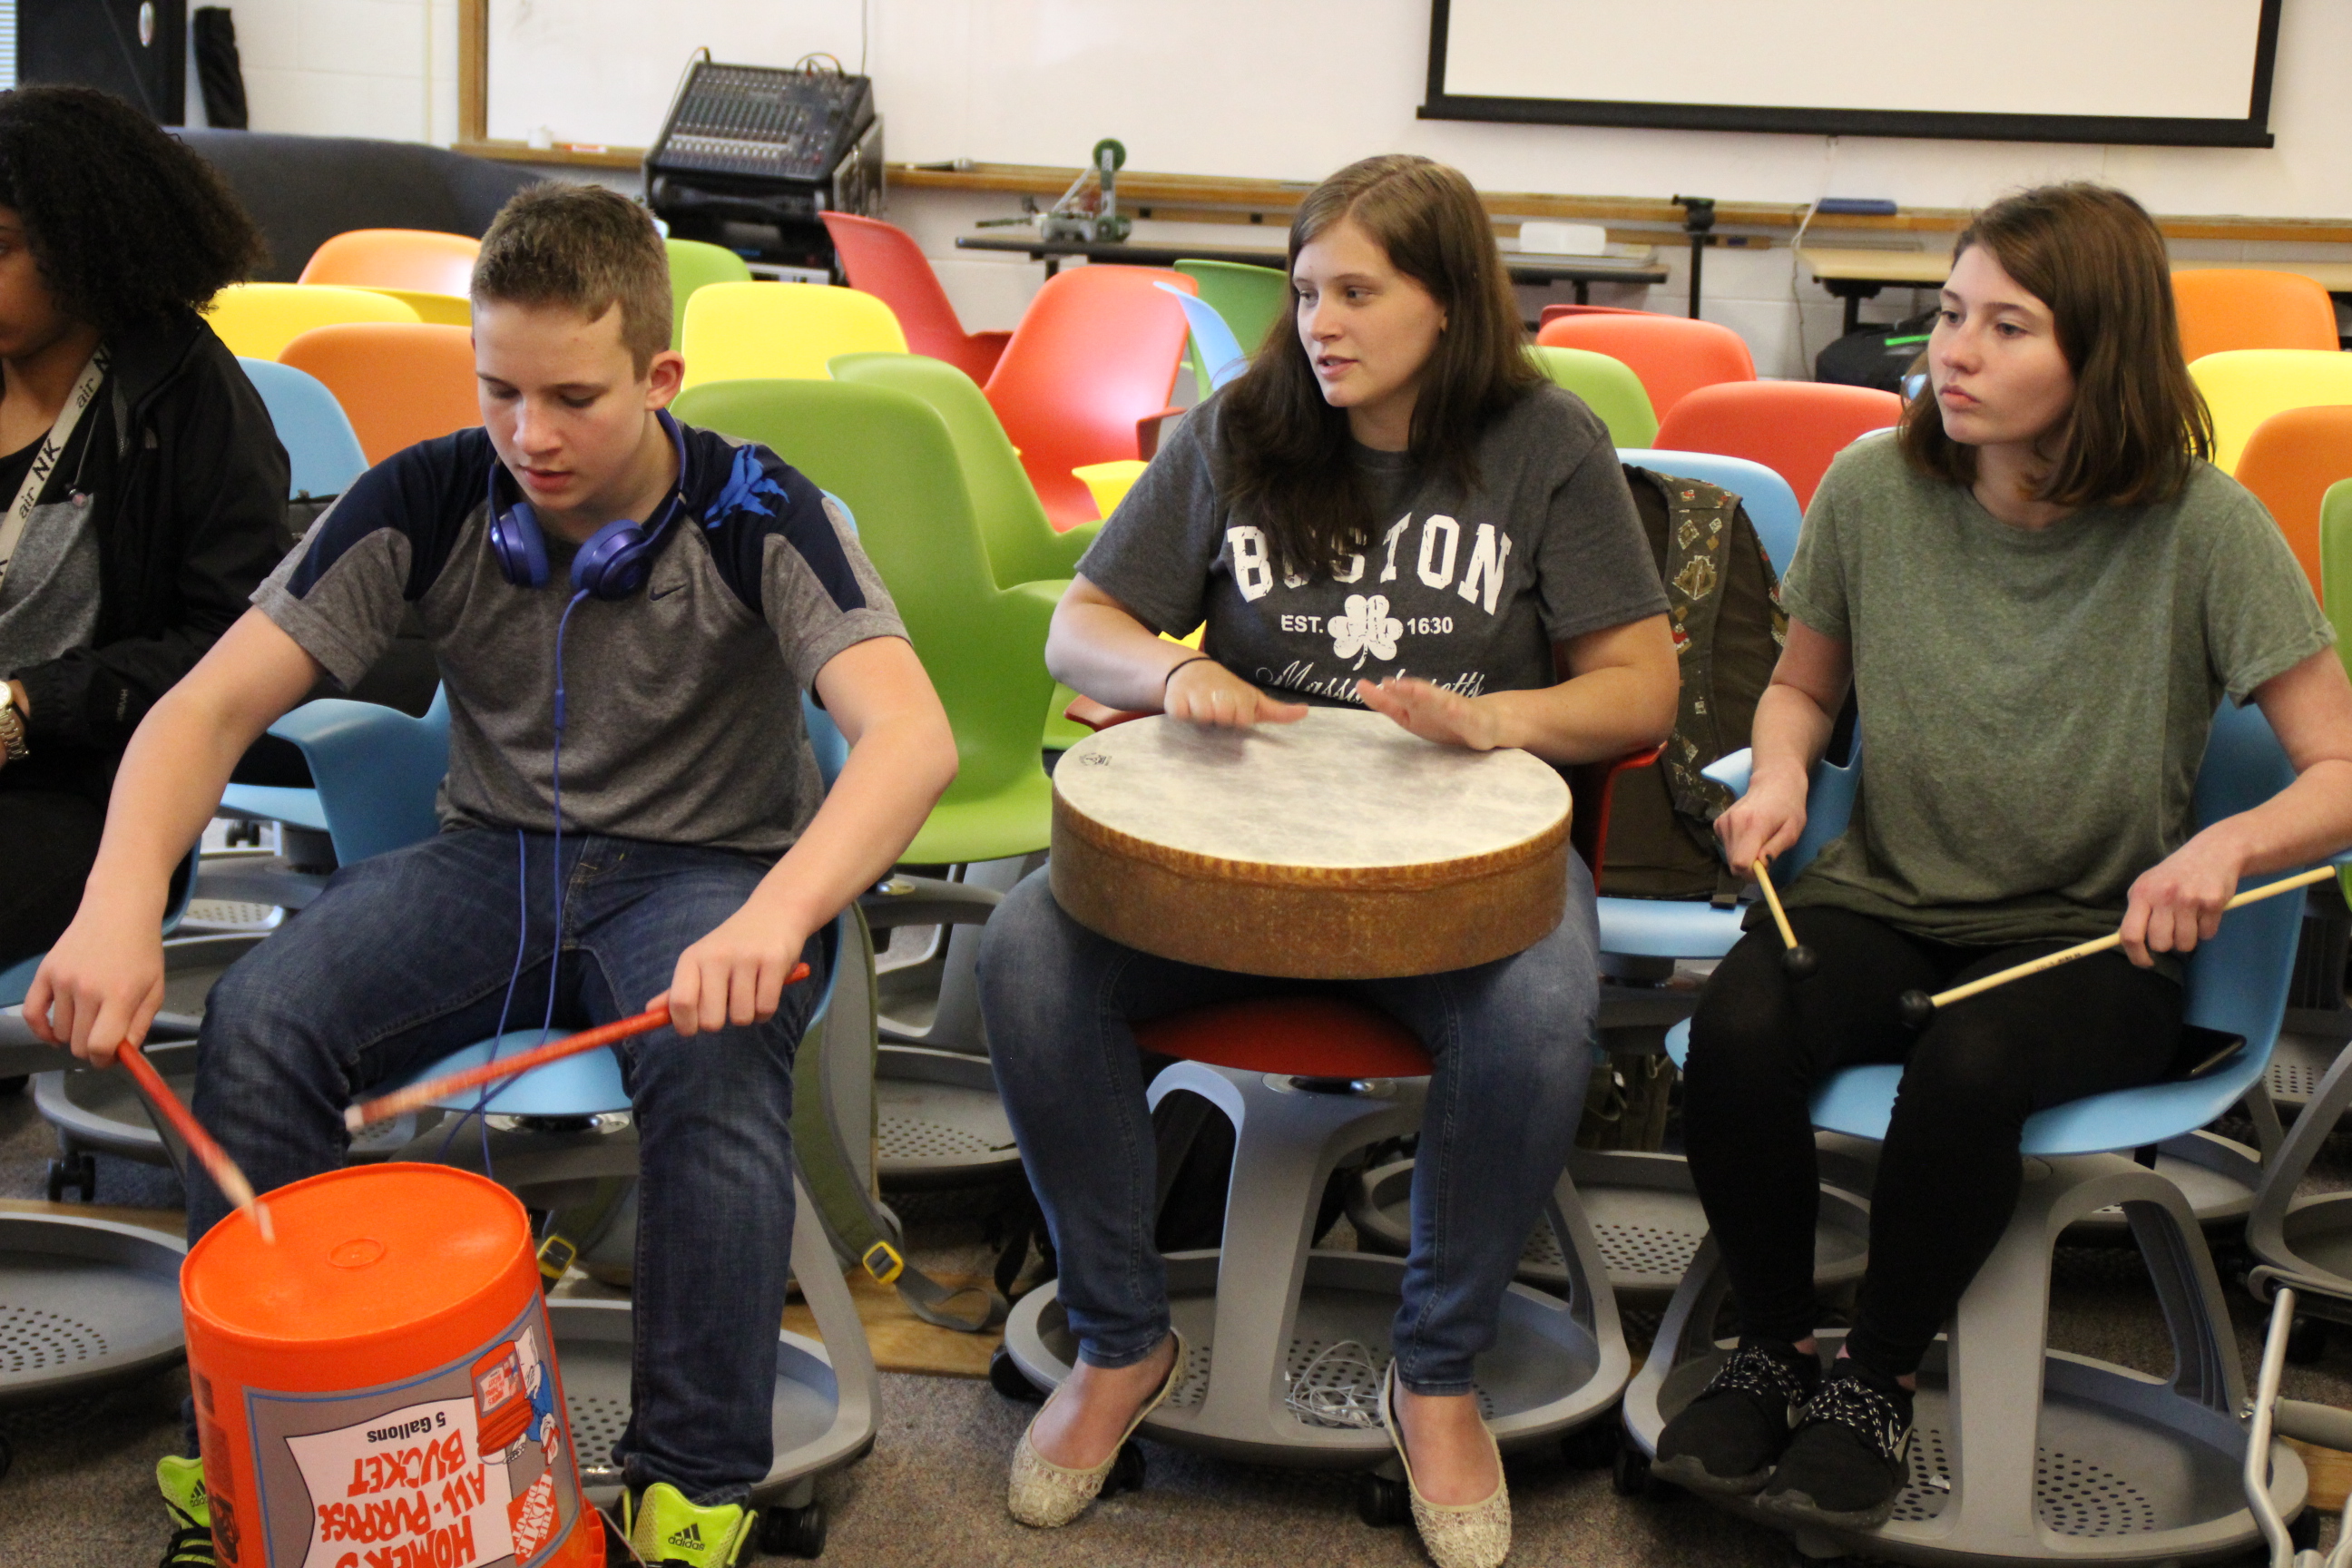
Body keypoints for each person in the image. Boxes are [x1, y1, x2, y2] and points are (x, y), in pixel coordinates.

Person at [26, 184, 956, 1568]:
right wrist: (114, 909)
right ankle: (294, 1435)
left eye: (574, 397)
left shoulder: (764, 504)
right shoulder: (433, 492)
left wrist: (776, 916)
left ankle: (695, 1488)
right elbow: (200, 712)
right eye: (499, 390)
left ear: (660, 378)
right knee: (262, 1022)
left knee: (712, 1064)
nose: (530, 436)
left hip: (715, 876)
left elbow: (911, 737)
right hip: (494, 858)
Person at [978, 153, 1678, 1568]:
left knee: (1540, 1010)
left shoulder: (1548, 444)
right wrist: (1172, 679)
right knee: (1030, 949)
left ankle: (1435, 1375)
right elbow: (1081, 628)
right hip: (1231, 874)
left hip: (1457, 882)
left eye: (1358, 292)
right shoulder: (1243, 428)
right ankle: (1118, 1343)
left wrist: (1499, 719)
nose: (1321, 322)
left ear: (1449, 306)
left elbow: (1642, 689)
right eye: (1307, 291)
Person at [1658, 182, 2352, 1530]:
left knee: (1967, 1070)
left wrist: (2223, 847)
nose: (1953, 354)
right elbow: (1799, 693)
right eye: (1950, 314)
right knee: (1740, 1027)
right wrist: (1788, 770)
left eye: (2007, 327)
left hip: (2093, 934)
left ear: (2103, 354)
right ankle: (1775, 1346)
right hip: (1889, 896)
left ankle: (1873, 1378)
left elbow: (2339, 770)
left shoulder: (2203, 525)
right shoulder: (1873, 483)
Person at [0, 85, 286, 967]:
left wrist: (26, 708)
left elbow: (234, 642)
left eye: (1, 248)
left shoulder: (184, 396)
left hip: (88, 790)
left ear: (84, 252)